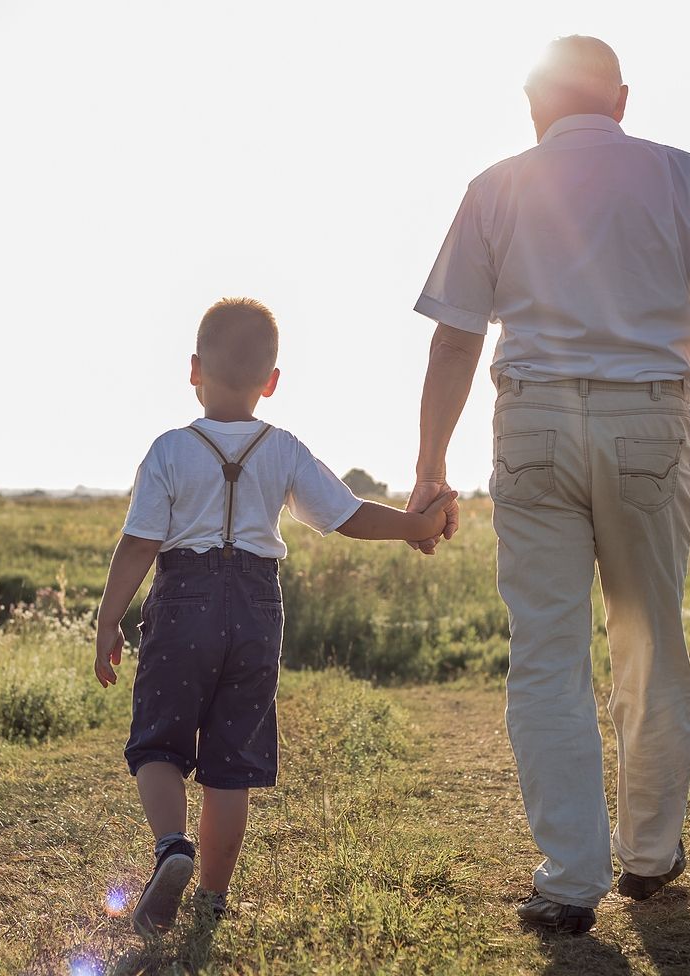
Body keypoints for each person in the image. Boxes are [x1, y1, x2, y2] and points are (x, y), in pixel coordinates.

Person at [406, 36, 690, 933]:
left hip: (531, 421)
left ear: (533, 106)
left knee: (546, 655)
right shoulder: (681, 176)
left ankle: (570, 879)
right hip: (648, 420)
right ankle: (649, 858)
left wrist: (429, 466)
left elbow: (455, 338)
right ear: (619, 99)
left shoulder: (496, 186)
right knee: (648, 643)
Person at [93, 297, 457, 936]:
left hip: (182, 604)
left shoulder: (169, 451)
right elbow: (347, 515)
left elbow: (140, 544)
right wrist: (414, 526)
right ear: (273, 382)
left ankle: (171, 848)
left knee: (159, 740)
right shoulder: (283, 448)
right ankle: (210, 899)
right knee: (231, 761)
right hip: (258, 609)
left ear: (193, 369)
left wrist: (107, 621)